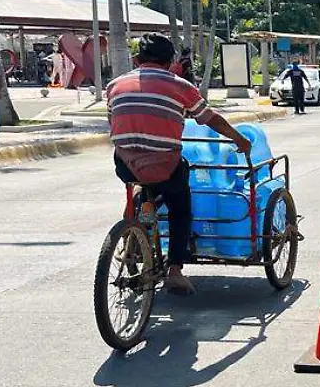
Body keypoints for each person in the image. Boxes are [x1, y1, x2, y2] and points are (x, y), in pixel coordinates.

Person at [106, 33, 251, 296]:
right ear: (172, 61)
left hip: (125, 163)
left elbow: (113, 121)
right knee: (180, 207)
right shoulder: (180, 86)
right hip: (165, 165)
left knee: (141, 188)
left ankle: (132, 229)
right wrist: (239, 138)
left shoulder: (114, 85)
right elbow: (210, 119)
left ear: (136, 59)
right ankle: (174, 269)